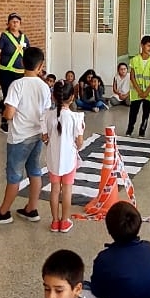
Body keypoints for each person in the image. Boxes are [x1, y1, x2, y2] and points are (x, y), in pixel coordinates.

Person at [0, 46, 49, 227]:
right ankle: (31, 208)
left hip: (20, 138)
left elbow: (9, 114)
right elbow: (46, 112)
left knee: (14, 176)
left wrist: (7, 111)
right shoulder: (44, 86)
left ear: (21, 63)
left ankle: (3, 212)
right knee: (34, 171)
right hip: (37, 134)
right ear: (41, 65)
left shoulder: (17, 85)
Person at [42, 79, 84, 233]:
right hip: (69, 160)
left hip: (53, 159)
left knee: (54, 190)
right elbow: (79, 143)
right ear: (72, 97)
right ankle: (64, 222)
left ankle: (54, 221)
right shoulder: (75, 118)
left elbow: (44, 138)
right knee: (67, 190)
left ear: (53, 97)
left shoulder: (47, 116)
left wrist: (52, 144)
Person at [0, 12, 29, 134]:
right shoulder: (4, 36)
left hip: (20, 73)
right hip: (6, 72)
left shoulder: (24, 38)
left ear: (20, 24)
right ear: (8, 23)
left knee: (20, 97)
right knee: (8, 96)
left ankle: (17, 120)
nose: (15, 23)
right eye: (12, 21)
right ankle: (4, 121)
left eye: (17, 21)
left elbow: (28, 55)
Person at [125, 36, 150, 137]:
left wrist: (147, 91)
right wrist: (139, 90)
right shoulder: (134, 60)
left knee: (146, 113)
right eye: (148, 46)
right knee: (133, 113)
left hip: (148, 92)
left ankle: (142, 131)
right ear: (142, 45)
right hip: (136, 92)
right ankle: (129, 130)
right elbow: (132, 77)